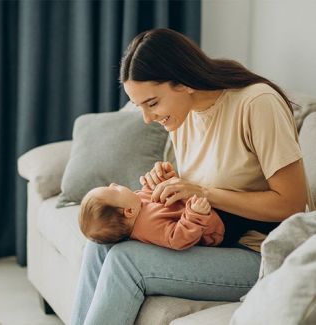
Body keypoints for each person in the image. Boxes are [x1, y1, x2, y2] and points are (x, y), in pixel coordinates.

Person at [70, 28, 314, 325]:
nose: (148, 118)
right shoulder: (183, 118)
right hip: (212, 240)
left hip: (259, 252)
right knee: (100, 245)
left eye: (152, 103)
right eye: (140, 107)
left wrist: (202, 192)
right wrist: (169, 181)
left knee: (125, 262)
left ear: (183, 83)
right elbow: (198, 191)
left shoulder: (256, 103)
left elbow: (291, 205)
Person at [79, 181, 225, 250]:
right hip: (216, 226)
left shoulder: (136, 203)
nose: (113, 184)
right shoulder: (149, 227)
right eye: (114, 190)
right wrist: (196, 215)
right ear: (129, 212)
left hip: (202, 202)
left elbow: (154, 195)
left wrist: (158, 180)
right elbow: (178, 238)